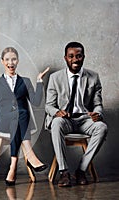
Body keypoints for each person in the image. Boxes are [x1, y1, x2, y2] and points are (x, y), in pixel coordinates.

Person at [0, 47, 49, 186]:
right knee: (21, 113)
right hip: (2, 121)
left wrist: (39, 81)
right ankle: (30, 154)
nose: (11, 62)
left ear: (18, 61)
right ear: (2, 62)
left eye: (14, 59)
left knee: (19, 115)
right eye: (7, 59)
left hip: (19, 122)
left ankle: (13, 165)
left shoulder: (25, 81)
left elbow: (35, 101)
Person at [45, 41, 108, 187]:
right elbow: (48, 105)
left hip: (85, 119)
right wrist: (57, 112)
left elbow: (98, 104)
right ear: (65, 58)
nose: (75, 60)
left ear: (83, 57)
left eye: (78, 56)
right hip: (65, 120)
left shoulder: (93, 77)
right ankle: (64, 172)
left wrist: (97, 113)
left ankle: (81, 170)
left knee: (102, 127)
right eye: (71, 56)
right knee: (56, 122)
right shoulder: (55, 78)